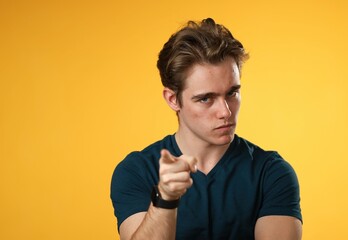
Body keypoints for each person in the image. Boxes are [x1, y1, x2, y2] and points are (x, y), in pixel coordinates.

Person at [110, 18, 303, 240]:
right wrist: (165, 199)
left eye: (232, 93)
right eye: (205, 99)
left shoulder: (271, 173)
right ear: (173, 99)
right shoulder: (136, 171)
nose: (225, 112)